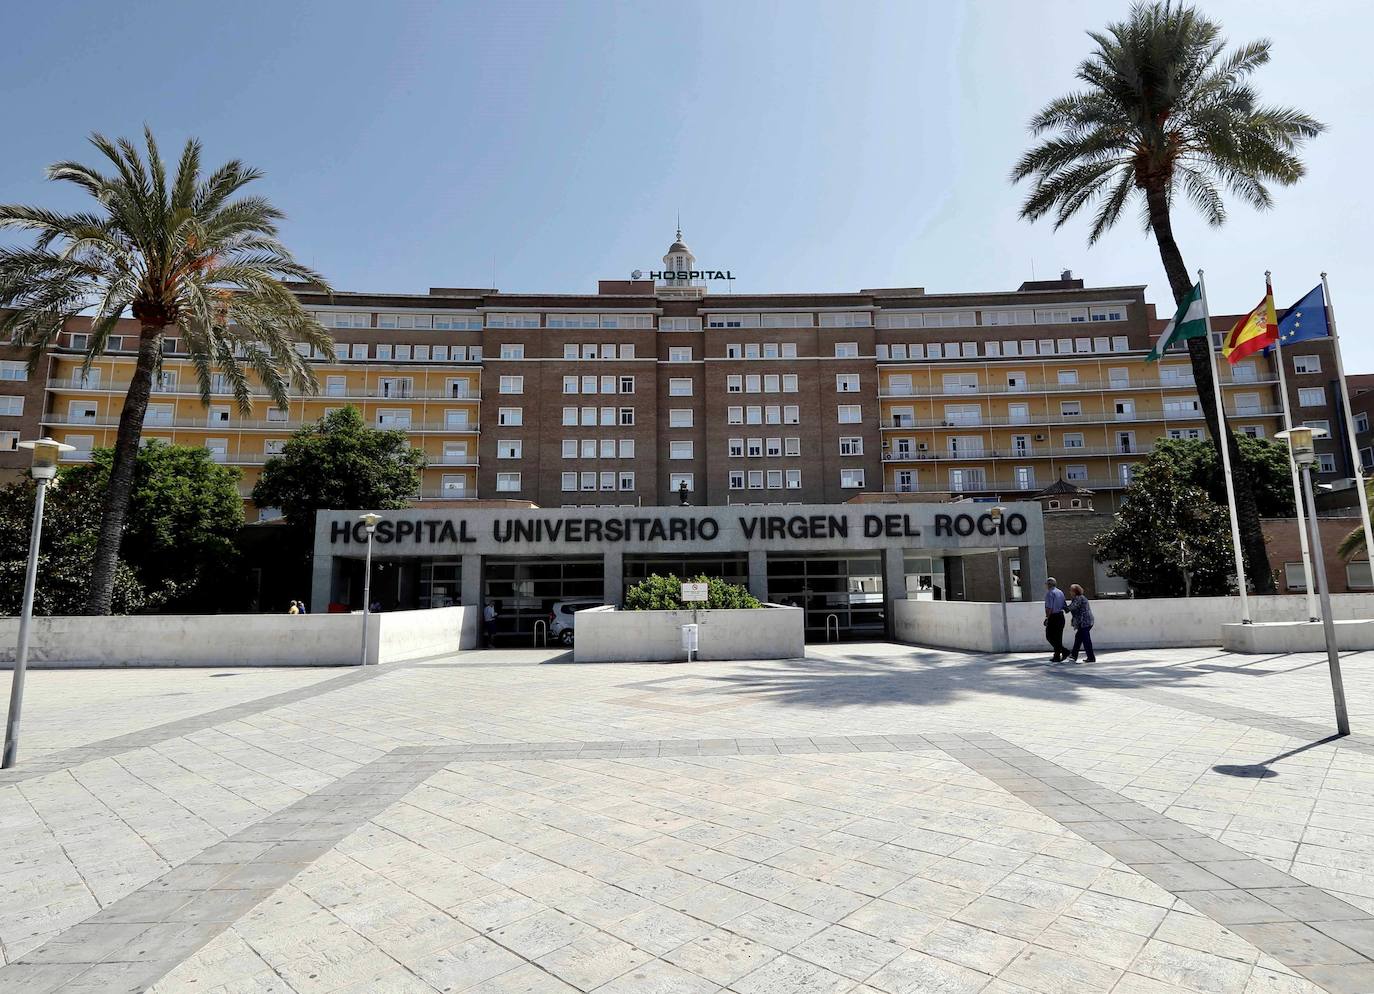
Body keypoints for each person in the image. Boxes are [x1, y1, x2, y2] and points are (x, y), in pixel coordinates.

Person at [1043, 577, 1071, 662]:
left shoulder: (1049, 593)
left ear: (1049, 584)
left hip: (1053, 617)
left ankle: (1064, 651)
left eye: (1046, 584)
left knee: (1049, 636)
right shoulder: (1060, 592)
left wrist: (1047, 618)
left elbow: (1049, 608)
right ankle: (1057, 655)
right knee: (1058, 637)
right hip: (1060, 616)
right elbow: (1064, 605)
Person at [1067, 583, 1097, 663]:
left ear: (1075, 591)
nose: (1069, 592)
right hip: (1084, 622)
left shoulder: (1079, 598)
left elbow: (1071, 607)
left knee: (1085, 639)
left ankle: (1091, 658)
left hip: (1085, 622)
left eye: (1071, 590)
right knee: (1079, 637)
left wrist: (1063, 607)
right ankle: (1074, 655)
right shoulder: (1077, 598)